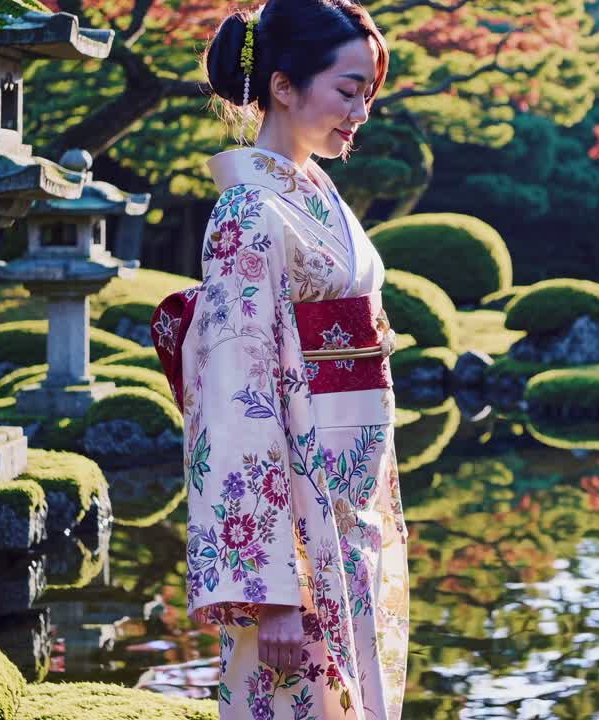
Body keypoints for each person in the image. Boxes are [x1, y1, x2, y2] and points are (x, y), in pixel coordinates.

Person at [149, 1, 409, 718]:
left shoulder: (310, 191)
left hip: (347, 503)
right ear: (286, 87)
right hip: (298, 518)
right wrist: (271, 593)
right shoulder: (248, 215)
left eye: (368, 95)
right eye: (348, 90)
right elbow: (234, 402)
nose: (361, 111)